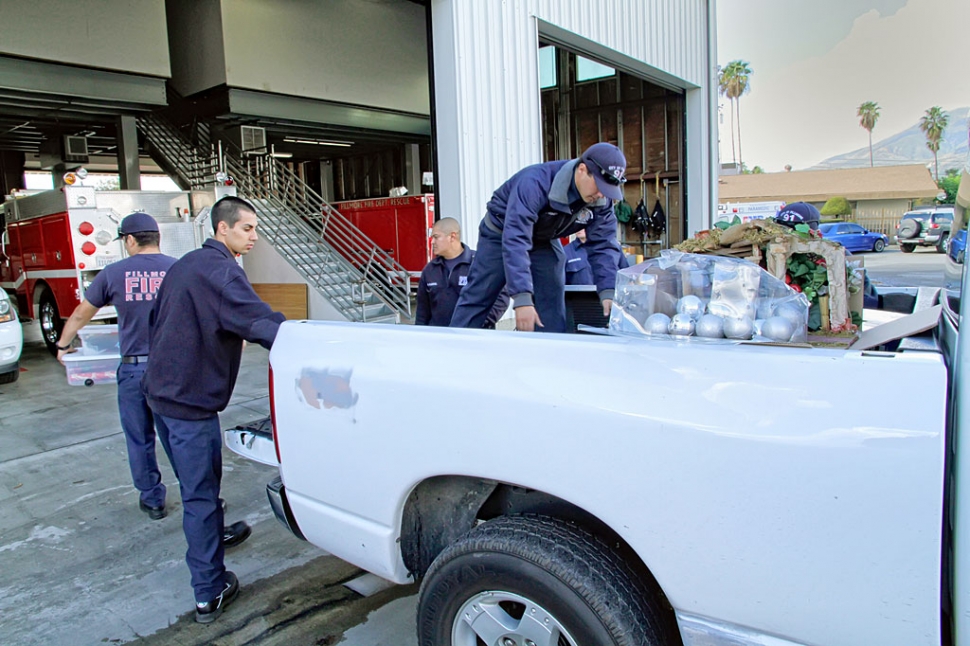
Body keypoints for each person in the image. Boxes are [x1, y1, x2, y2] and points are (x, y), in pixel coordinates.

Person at [142, 196, 285, 624]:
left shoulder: (185, 265)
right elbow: (262, 324)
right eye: (247, 228)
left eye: (256, 228)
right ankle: (209, 590)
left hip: (160, 396)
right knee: (199, 495)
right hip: (190, 407)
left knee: (195, 484)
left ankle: (214, 533)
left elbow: (158, 321)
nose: (254, 236)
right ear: (222, 229)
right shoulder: (223, 272)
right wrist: (313, 343)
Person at [56, 212, 176, 521]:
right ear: (157, 237)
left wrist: (63, 344)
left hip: (134, 369)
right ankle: (197, 495)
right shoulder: (178, 269)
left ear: (130, 240)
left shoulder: (114, 273)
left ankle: (153, 500)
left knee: (139, 437)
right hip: (172, 369)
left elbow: (83, 313)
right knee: (178, 435)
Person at [450, 142, 626, 332]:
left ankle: (549, 352)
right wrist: (522, 298)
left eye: (607, 190)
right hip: (501, 232)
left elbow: (603, 245)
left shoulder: (600, 200)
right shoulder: (534, 183)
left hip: (544, 236)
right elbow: (516, 238)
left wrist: (608, 290)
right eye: (599, 186)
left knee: (551, 296)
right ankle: (455, 348)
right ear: (582, 169)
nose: (601, 194)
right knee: (481, 294)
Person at [415, 217, 509, 327]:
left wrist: (480, 323)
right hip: (439, 338)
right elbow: (422, 311)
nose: (432, 242)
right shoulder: (430, 270)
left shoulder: (480, 264)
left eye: (436, 237)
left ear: (452, 237)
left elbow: (501, 298)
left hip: (473, 337)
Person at [564, 228, 630, 286]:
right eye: (577, 225)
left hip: (608, 297)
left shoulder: (612, 247)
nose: (579, 228)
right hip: (579, 299)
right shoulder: (566, 252)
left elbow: (626, 277)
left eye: (583, 225)